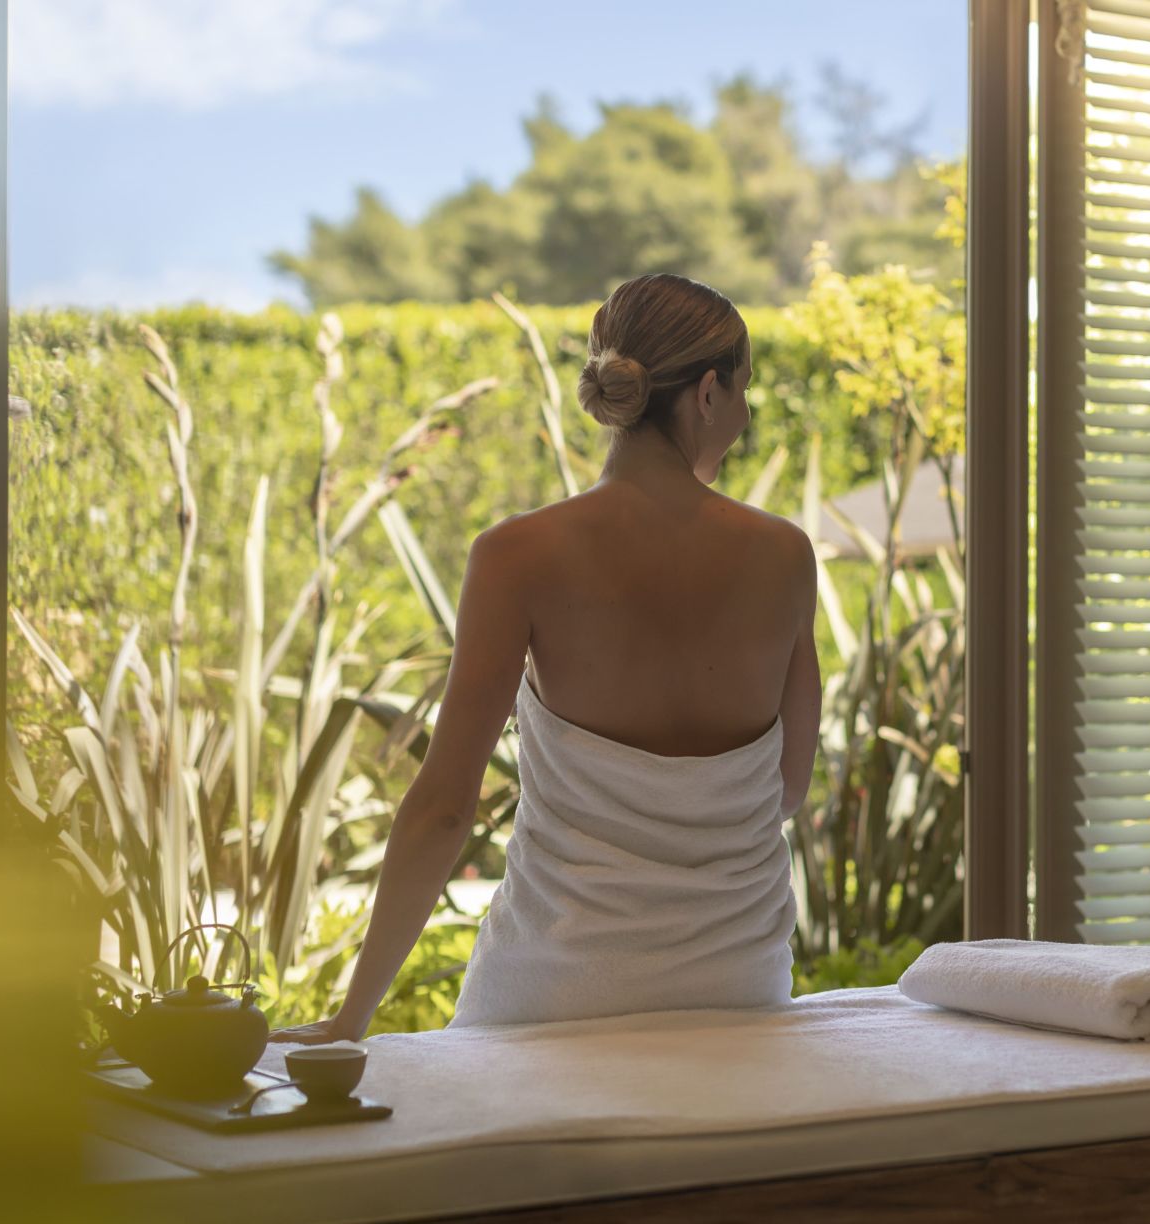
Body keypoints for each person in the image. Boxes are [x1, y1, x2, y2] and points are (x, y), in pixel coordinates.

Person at [274, 273, 820, 1040]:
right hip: (739, 1000)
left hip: (549, 1002)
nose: (747, 412)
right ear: (706, 392)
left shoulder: (516, 555)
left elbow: (443, 810)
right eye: (745, 390)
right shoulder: (785, 557)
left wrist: (349, 1019)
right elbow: (787, 789)